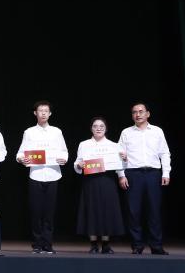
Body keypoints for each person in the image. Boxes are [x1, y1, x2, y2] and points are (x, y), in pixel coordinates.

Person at [117, 102, 172, 255]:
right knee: (133, 211)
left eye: (141, 111)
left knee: (154, 210)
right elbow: (119, 155)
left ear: (148, 114)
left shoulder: (157, 131)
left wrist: (166, 173)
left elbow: (164, 153)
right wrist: (121, 175)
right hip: (133, 174)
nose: (138, 114)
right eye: (134, 112)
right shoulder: (126, 132)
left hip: (153, 174)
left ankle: (156, 245)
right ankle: (137, 245)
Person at [15, 101, 69, 254]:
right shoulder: (29, 132)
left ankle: (48, 243)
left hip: (53, 174)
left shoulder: (56, 132)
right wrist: (22, 159)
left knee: (49, 212)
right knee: (36, 211)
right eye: (40, 110)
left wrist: (64, 159)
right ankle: (37, 243)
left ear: (50, 113)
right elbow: (20, 153)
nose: (43, 113)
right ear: (35, 113)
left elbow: (64, 151)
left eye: (46, 111)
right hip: (36, 174)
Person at [74, 117, 126, 254]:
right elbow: (77, 163)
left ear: (106, 129)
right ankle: (93, 245)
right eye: (95, 126)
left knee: (107, 211)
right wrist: (79, 165)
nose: (98, 128)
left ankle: (106, 244)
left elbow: (120, 165)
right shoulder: (84, 144)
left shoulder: (114, 145)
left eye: (101, 126)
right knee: (91, 210)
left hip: (107, 181)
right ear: (91, 129)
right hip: (90, 181)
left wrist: (122, 173)